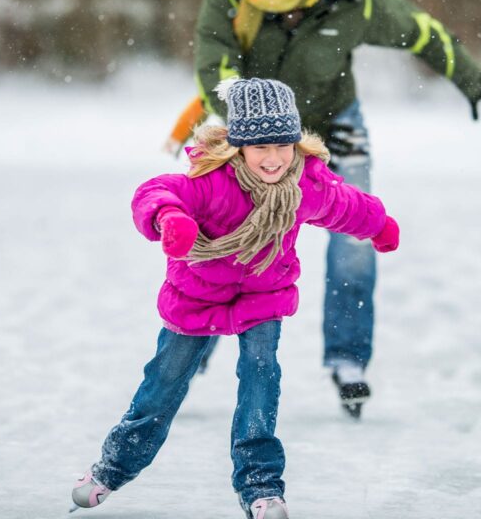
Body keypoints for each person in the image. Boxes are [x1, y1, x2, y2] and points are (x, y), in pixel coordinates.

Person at [164, 0, 481, 415]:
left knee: (355, 237)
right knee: (225, 233)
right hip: (250, 134)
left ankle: (348, 359)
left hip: (336, 125)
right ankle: (195, 349)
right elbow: (217, 72)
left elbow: (420, 30)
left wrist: (470, 76)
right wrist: (256, 133)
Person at [71, 78, 399, 519]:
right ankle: (112, 468)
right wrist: (170, 217)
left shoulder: (303, 182)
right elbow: (156, 191)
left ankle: (262, 488)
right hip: (196, 298)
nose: (275, 158)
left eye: (284, 144)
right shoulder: (211, 180)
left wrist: (377, 225)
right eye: (261, 146)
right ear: (239, 146)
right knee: (163, 385)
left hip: (263, 297)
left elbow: (345, 204)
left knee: (261, 385)